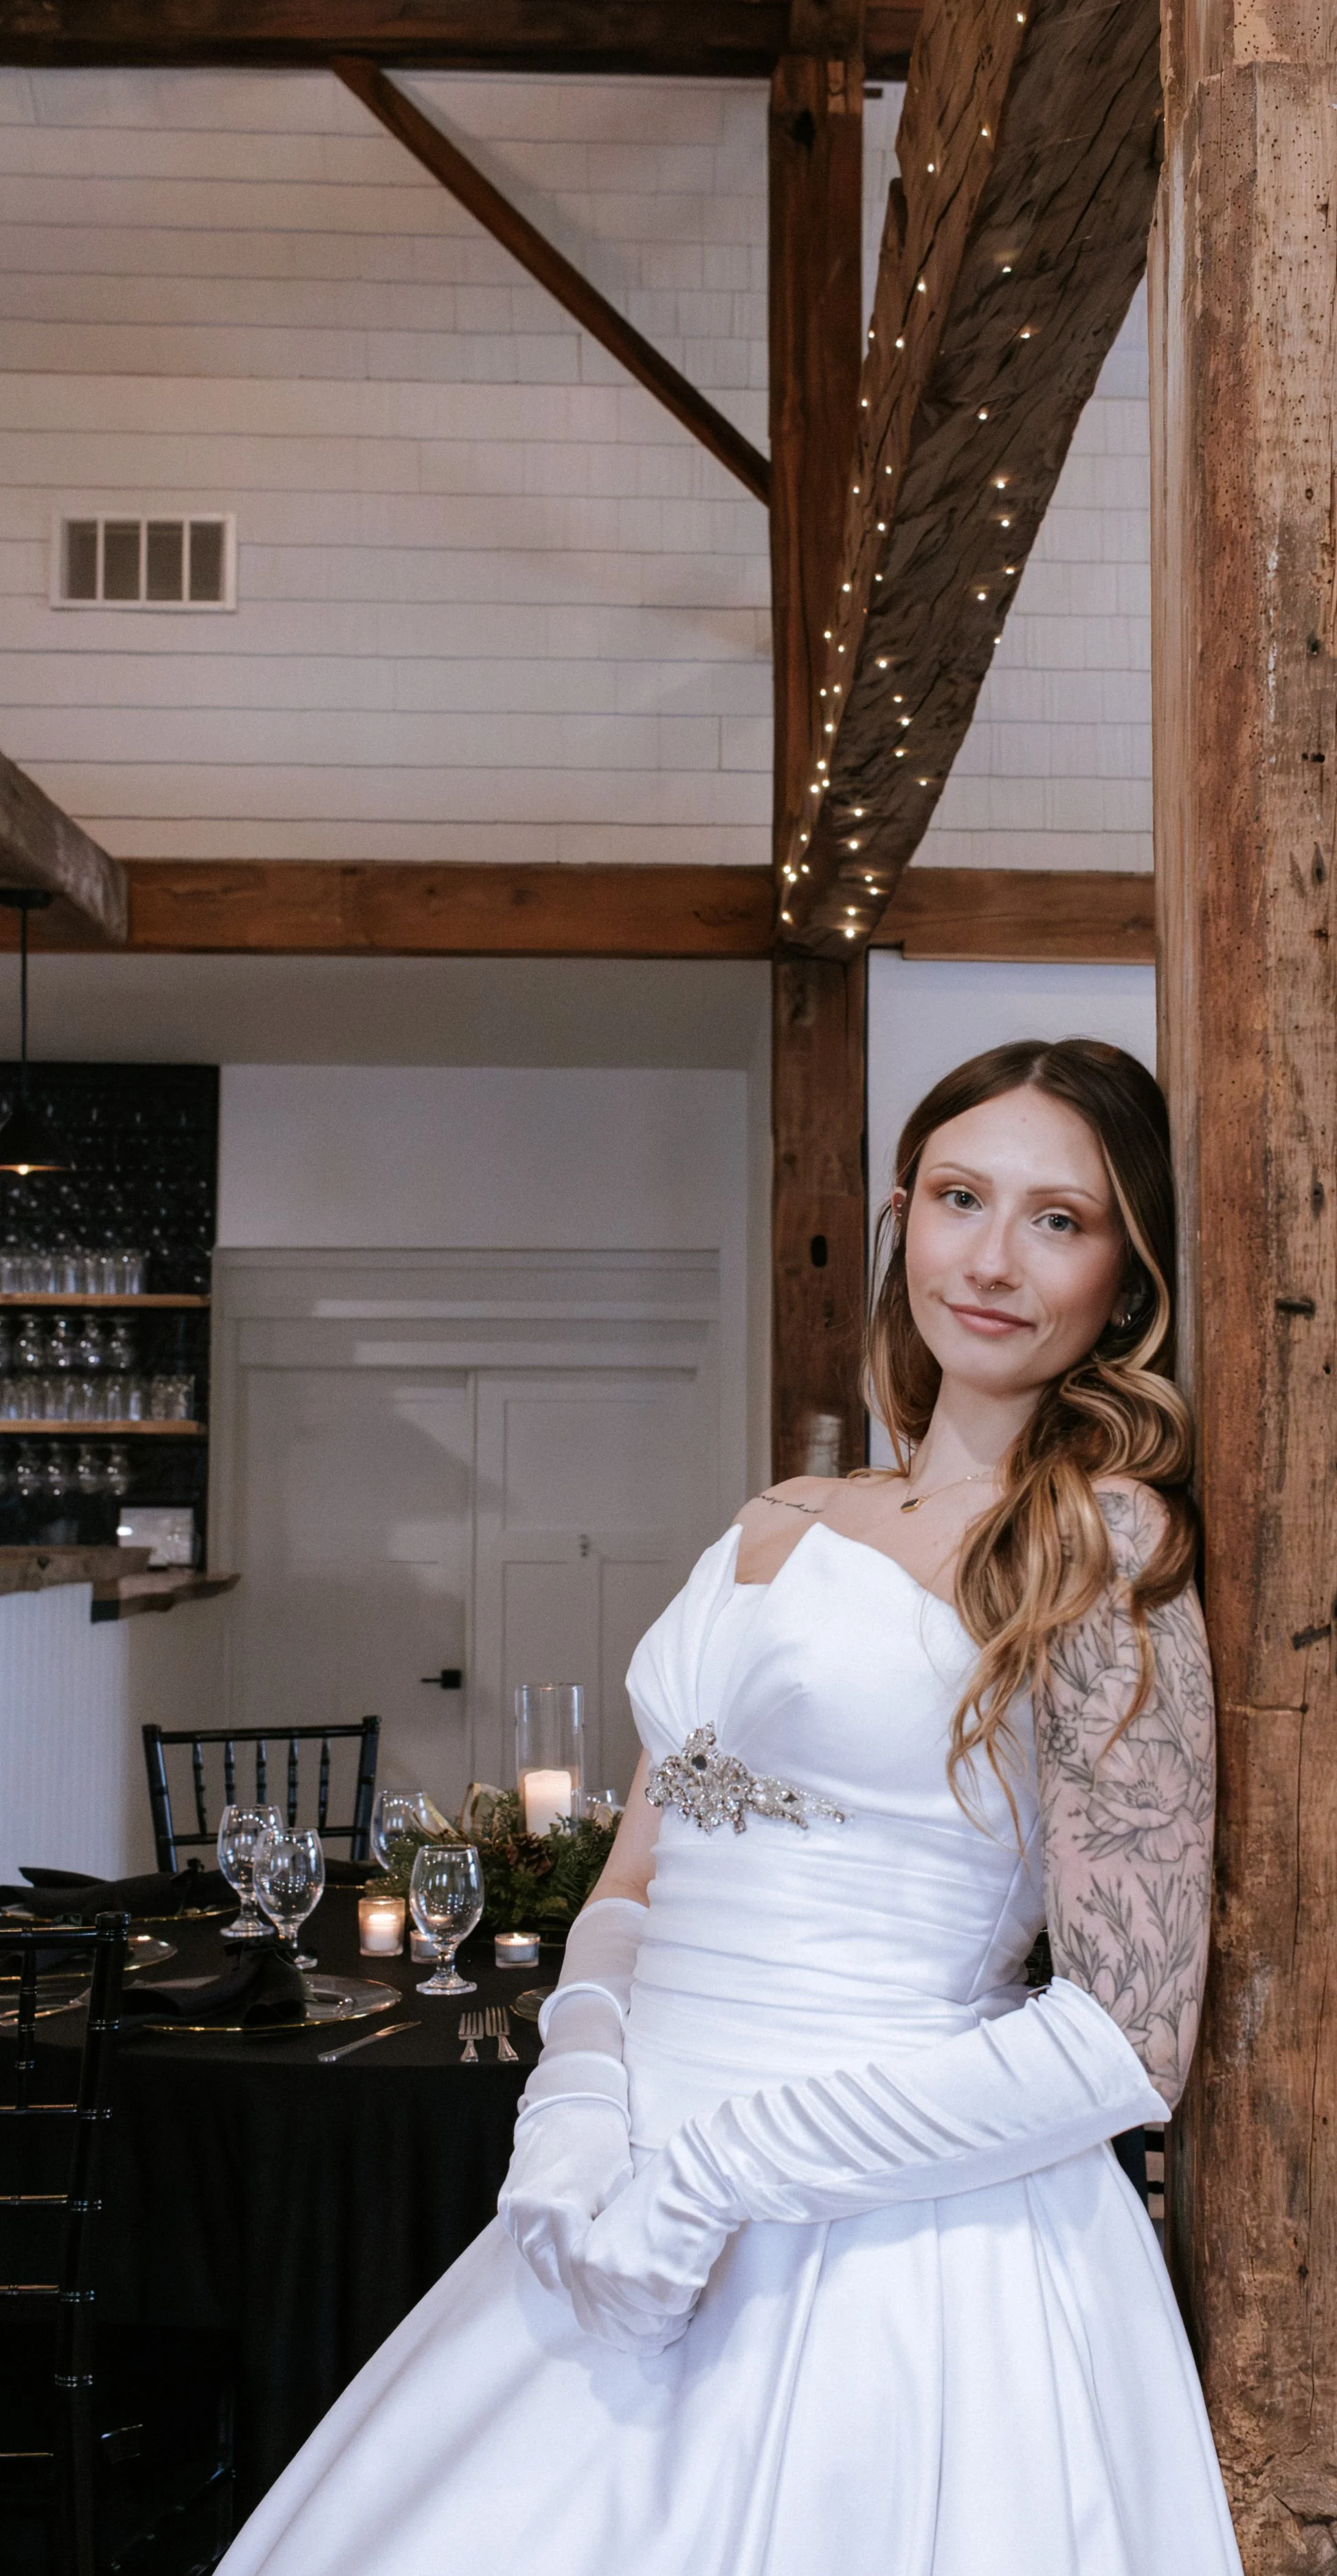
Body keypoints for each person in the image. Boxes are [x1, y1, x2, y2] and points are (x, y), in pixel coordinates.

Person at [223, 1038, 1242, 2576]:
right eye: (960, 1199)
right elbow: (646, 1865)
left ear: (1127, 1268)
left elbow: (1124, 2040)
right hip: (612, 2185)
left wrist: (716, 2176)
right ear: (902, 1217)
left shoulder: (1097, 1543)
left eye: (1057, 1219)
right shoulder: (784, 1514)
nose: (989, 1258)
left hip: (893, 2223)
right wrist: (573, 2107)